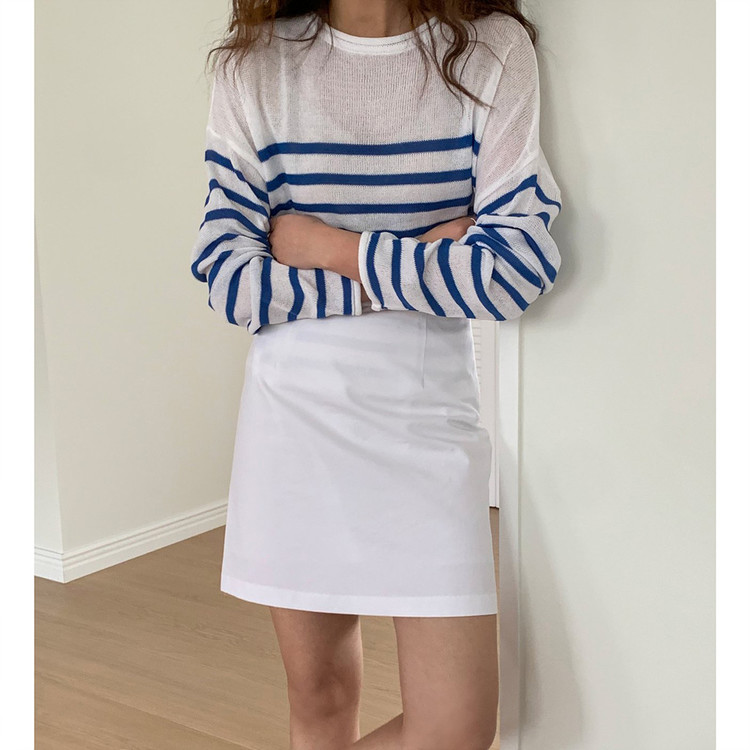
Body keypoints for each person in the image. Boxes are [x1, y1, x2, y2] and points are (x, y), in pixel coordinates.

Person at [189, 1, 562, 747]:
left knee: (457, 728)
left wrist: (332, 248)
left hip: (429, 414)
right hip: (294, 419)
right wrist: (419, 259)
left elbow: (514, 272)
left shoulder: (491, 49)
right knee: (320, 700)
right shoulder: (254, 65)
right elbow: (231, 281)